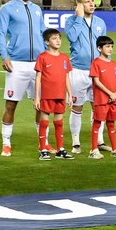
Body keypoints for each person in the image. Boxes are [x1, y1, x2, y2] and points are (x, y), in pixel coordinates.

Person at [0, 0, 44, 156]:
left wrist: (47, 55)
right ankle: (6, 143)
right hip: (16, 63)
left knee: (41, 105)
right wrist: (5, 55)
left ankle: (43, 143)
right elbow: (0, 33)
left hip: (38, 64)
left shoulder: (37, 9)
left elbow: (41, 32)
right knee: (11, 105)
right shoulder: (6, 9)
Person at [65, 0, 107, 153]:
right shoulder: (71, 21)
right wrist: (79, 18)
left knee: (98, 107)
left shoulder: (100, 22)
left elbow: (103, 46)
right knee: (77, 107)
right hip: (78, 71)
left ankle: (99, 140)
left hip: (97, 71)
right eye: (87, 2)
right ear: (79, 5)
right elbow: (71, 37)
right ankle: (76, 142)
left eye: (93, 1)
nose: (92, 4)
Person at [33, 28, 72, 160]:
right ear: (47, 42)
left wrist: (70, 95)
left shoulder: (64, 58)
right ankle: (43, 149)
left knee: (59, 122)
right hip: (47, 95)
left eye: (59, 38)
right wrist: (37, 97)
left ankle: (60, 149)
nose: (58, 41)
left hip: (60, 95)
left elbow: (66, 77)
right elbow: (38, 77)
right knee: (44, 122)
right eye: (54, 38)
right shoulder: (42, 57)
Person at [89, 36, 116, 158]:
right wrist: (109, 93)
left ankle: (115, 149)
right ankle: (94, 150)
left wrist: (115, 93)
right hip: (101, 99)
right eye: (107, 46)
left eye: (111, 46)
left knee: (111, 123)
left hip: (113, 99)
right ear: (99, 48)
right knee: (97, 122)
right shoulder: (96, 63)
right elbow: (96, 81)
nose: (110, 49)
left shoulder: (114, 64)